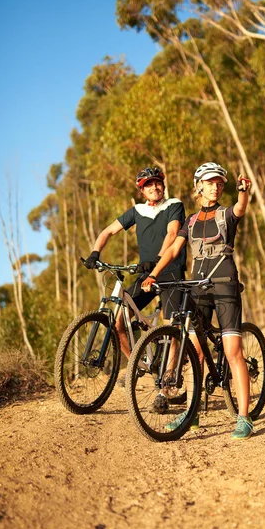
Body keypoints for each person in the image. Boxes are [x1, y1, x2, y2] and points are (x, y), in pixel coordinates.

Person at [142, 162, 254, 440]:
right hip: (198, 289)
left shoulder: (226, 214)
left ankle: (244, 417)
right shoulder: (190, 221)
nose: (215, 186)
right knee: (195, 354)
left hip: (225, 287)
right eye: (210, 182)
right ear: (199, 186)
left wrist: (244, 192)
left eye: (219, 183)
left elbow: (240, 208)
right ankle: (191, 414)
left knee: (232, 352)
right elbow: (173, 249)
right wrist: (153, 274)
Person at [84, 166, 186, 411]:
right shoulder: (137, 211)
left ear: (163, 184)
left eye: (157, 183)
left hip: (169, 272)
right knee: (119, 323)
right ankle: (141, 365)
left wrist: (158, 259)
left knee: (172, 326)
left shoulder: (174, 205)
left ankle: (167, 386)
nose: (154, 187)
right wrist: (95, 252)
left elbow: (172, 233)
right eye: (148, 185)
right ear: (142, 190)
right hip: (145, 276)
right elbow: (108, 231)